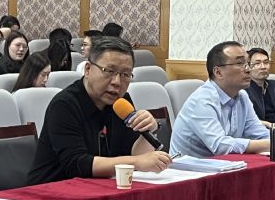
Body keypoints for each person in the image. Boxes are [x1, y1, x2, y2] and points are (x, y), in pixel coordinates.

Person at [28, 36, 171, 185]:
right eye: (109, 71)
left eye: (125, 74)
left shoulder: (121, 102)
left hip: (99, 187)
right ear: (88, 69)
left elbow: (135, 154)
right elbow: (77, 164)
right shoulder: (64, 105)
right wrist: (136, 162)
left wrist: (148, 132)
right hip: (51, 190)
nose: (117, 82)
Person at [170, 41, 275, 158]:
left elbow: (258, 132)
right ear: (218, 72)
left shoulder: (242, 96)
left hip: (224, 166)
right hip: (189, 171)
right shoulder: (202, 100)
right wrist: (274, 144)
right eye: (240, 63)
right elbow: (220, 145)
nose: (248, 70)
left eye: (248, 63)